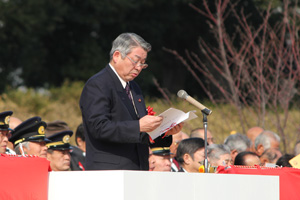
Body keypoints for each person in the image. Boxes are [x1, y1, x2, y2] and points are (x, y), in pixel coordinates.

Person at [80, 32, 182, 170]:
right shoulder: (98, 84)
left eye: (143, 64)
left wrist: (163, 132)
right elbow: (99, 128)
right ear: (117, 56)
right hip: (109, 171)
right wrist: (138, 126)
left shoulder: (134, 87)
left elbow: (139, 135)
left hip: (137, 168)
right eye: (135, 61)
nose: (139, 68)